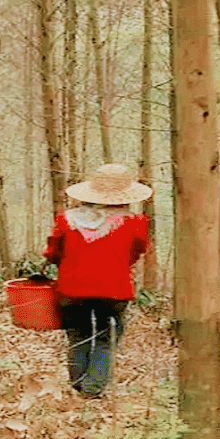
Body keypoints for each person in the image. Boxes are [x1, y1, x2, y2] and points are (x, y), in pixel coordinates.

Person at [42, 163, 152, 397]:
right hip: (114, 289)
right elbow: (137, 251)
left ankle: (79, 385)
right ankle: (92, 391)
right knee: (106, 338)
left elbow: (53, 253)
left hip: (72, 288)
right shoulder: (134, 223)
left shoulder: (66, 220)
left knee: (78, 335)